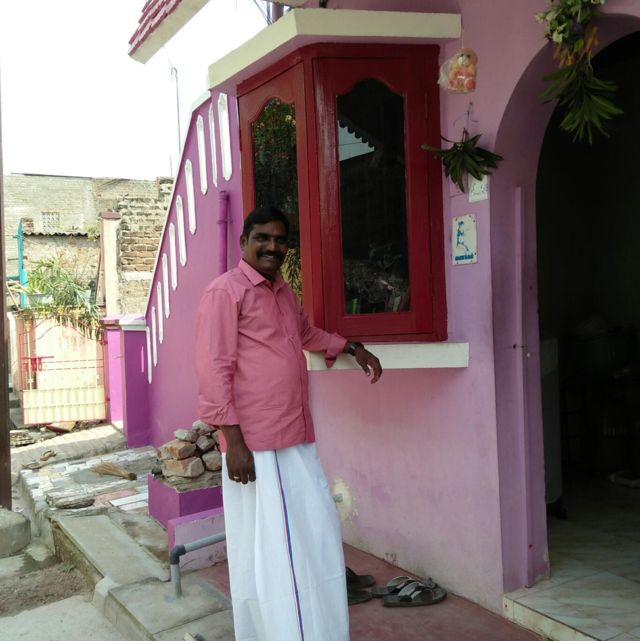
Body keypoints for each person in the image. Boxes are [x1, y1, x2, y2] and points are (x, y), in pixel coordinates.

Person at [195, 206, 382, 641]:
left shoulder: (282, 292)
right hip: (258, 446)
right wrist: (233, 442)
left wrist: (351, 346)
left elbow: (306, 335)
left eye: (280, 240)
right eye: (263, 237)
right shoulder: (226, 292)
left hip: (293, 433)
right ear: (244, 242)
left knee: (311, 536)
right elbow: (213, 369)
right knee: (278, 552)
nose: (273, 247)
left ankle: (308, 630)